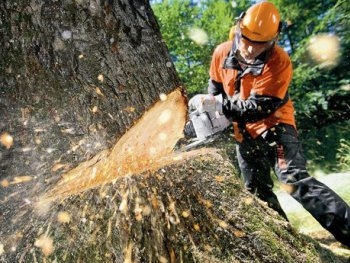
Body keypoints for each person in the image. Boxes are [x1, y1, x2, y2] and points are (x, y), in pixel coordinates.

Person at [206, 1, 350, 247]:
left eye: (259, 44)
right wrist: (209, 110)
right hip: (244, 135)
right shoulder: (221, 53)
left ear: (272, 40)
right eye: (247, 40)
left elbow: (258, 108)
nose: (251, 49)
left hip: (276, 128)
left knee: (294, 181)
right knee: (257, 193)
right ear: (239, 30)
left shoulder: (279, 61)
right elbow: (215, 89)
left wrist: (221, 107)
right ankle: (287, 245)